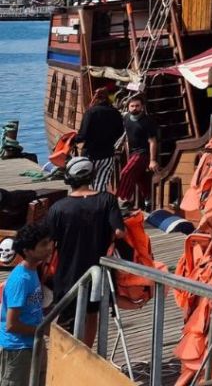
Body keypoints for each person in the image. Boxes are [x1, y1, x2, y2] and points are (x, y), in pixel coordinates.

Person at [45, 156, 125, 347]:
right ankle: (86, 350)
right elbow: (120, 232)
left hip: (68, 270)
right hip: (98, 269)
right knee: (91, 313)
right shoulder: (107, 200)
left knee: (64, 313)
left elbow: (49, 244)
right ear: (92, 176)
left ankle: (62, 351)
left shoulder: (58, 208)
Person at [0, 224, 53, 386]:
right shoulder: (21, 280)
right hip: (18, 349)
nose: (49, 248)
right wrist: (41, 330)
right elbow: (11, 324)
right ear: (28, 251)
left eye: (49, 242)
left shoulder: (32, 271)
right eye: (43, 244)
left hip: (34, 343)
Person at [74, 88, 123, 193]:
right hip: (108, 154)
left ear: (95, 98)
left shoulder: (90, 112)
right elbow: (120, 132)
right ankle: (99, 205)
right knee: (101, 183)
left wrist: (72, 140)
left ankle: (90, 204)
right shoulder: (115, 112)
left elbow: (83, 135)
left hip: (90, 154)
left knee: (87, 182)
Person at [117, 96, 160, 210]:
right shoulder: (126, 118)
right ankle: (148, 200)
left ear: (142, 107)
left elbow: (152, 141)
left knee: (126, 173)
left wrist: (152, 160)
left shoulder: (147, 121)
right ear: (128, 107)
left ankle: (122, 199)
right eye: (132, 106)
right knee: (140, 179)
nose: (135, 108)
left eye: (137, 106)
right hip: (132, 152)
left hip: (143, 153)